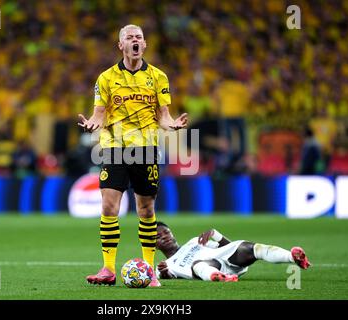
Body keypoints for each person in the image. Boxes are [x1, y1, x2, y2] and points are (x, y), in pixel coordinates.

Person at [79, 24, 188, 287]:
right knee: (108, 206)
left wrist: (171, 124)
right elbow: (99, 112)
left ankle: (149, 271)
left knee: (146, 209)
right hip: (115, 147)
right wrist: (93, 122)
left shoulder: (158, 77)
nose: (135, 41)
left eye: (139, 37)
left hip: (146, 149)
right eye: (129, 38)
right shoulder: (105, 78)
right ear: (121, 45)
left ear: (145, 44)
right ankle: (107, 268)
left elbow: (163, 115)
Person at [155, 221, 311, 282]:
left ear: (172, 233)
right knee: (198, 264)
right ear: (153, 245)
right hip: (208, 268)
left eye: (166, 232)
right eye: (158, 236)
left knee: (250, 247)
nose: (164, 237)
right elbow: (168, 276)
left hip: (226, 260)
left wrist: (216, 235)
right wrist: (164, 273)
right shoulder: (165, 264)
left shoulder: (194, 241)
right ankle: (220, 277)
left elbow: (227, 247)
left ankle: (293, 257)